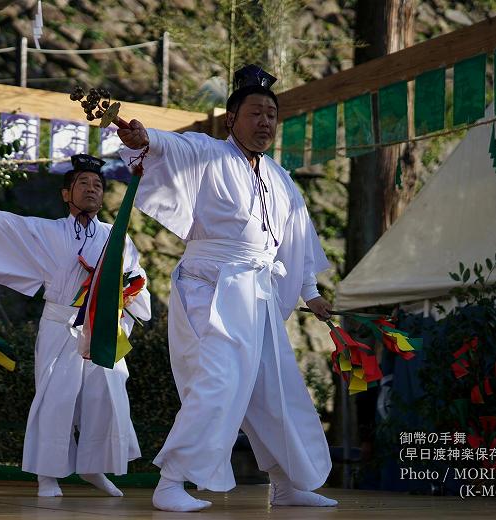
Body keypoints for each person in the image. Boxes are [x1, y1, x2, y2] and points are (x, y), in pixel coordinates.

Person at [117, 65, 337, 512]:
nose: (265, 122)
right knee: (219, 380)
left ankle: (289, 482)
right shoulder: (209, 152)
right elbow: (174, 145)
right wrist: (147, 139)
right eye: (255, 112)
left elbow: (295, 238)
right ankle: (172, 481)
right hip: (210, 285)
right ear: (231, 119)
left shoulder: (281, 178)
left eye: (271, 114)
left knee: (277, 390)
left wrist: (310, 291)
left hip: (258, 293)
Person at [0, 154, 151, 498]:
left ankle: (94, 467)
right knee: (55, 397)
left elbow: (136, 278)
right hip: (60, 323)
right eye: (83, 184)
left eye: (98, 185)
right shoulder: (49, 231)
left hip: (102, 325)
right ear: (66, 194)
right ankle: (47, 475)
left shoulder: (115, 235)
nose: (92, 190)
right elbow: (7, 225)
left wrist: (130, 294)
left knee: (108, 394)